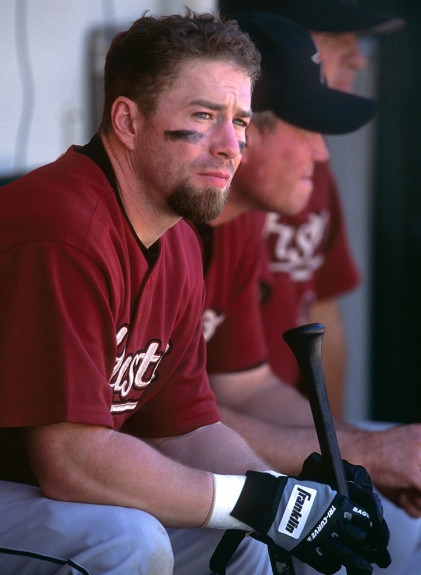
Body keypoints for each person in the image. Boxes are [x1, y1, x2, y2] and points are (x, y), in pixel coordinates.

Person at [0, 9, 392, 575]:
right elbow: (72, 463)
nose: (231, 145)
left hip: (31, 489)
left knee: (247, 537)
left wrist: (292, 495)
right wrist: (258, 502)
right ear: (128, 123)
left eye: (241, 121)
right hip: (27, 483)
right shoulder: (65, 230)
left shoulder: (176, 237)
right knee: (123, 542)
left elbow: (186, 427)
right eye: (204, 116)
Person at [193, 7, 421, 575]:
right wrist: (361, 455)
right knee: (255, 546)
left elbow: (246, 386)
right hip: (107, 477)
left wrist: (355, 464)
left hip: (199, 454)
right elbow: (163, 421)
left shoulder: (239, 222)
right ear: (240, 130)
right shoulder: (166, 230)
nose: (322, 155)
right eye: (308, 131)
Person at [219, 0, 405, 418]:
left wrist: (340, 456)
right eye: (339, 38)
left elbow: (323, 309)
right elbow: (177, 414)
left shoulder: (297, 172)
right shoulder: (203, 210)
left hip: (274, 420)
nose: (358, 57)